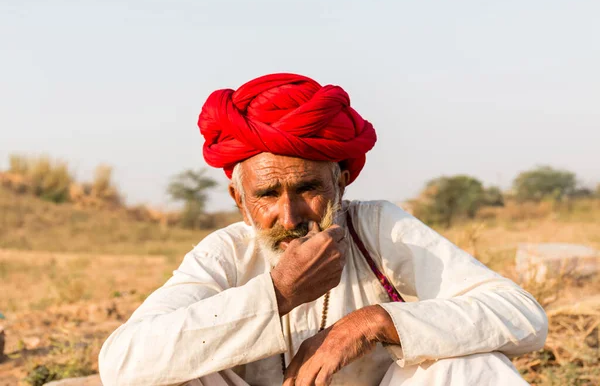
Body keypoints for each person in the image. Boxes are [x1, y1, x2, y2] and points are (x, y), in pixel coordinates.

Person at [99, 73, 547, 386]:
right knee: (159, 371)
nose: (290, 217)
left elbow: (522, 315)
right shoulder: (225, 254)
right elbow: (121, 363)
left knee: (475, 364)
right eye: (267, 195)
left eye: (308, 188)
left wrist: (371, 322)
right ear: (239, 200)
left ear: (341, 181)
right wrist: (278, 293)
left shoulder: (377, 228)